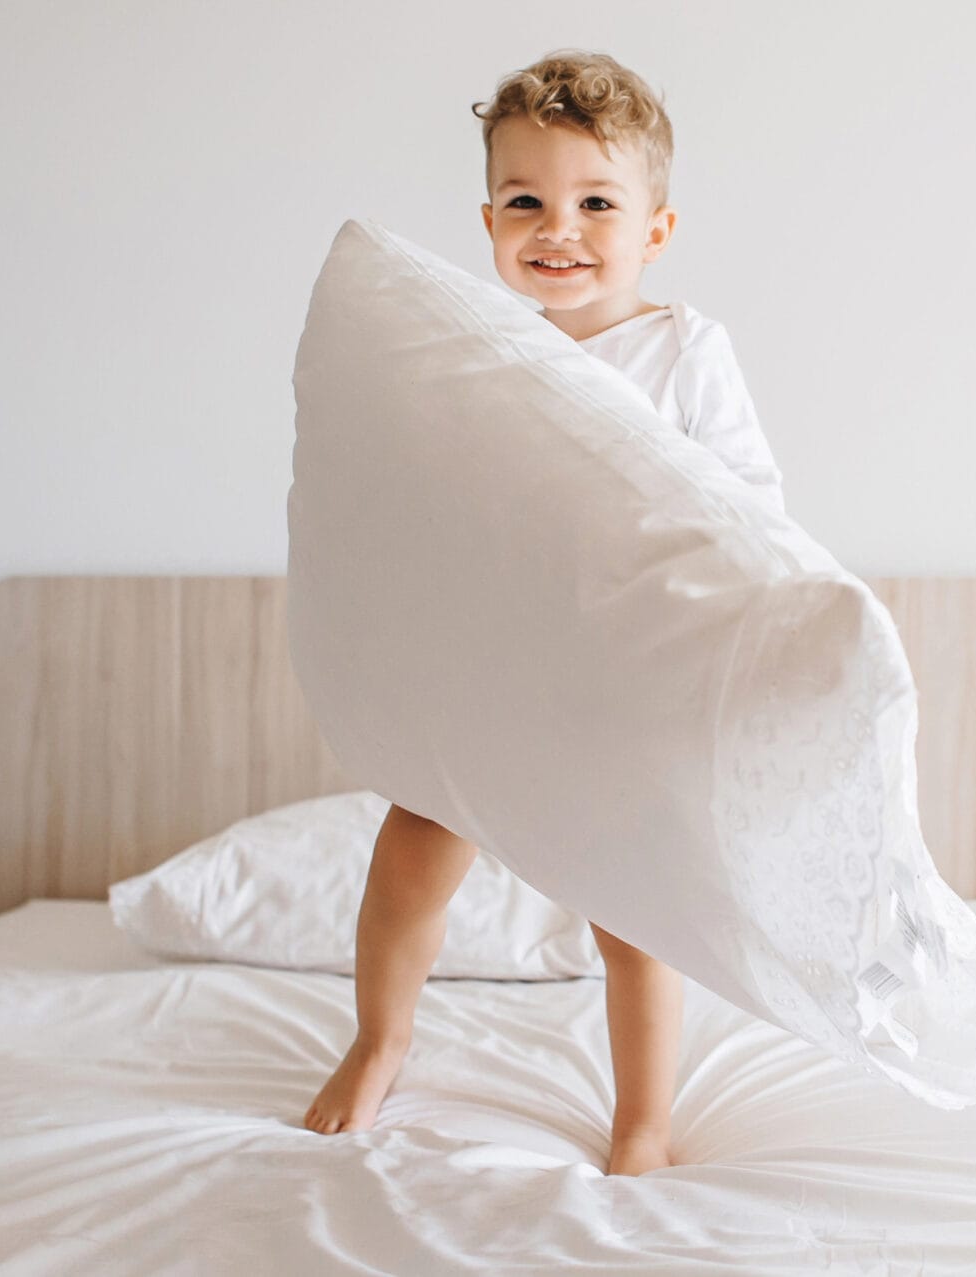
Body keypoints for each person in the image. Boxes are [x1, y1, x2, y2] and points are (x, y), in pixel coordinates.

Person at [301, 49, 788, 1177]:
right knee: (411, 855)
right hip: (490, 670)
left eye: (596, 203)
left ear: (655, 230)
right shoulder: (473, 348)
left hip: (619, 678)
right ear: (487, 218)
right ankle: (380, 1038)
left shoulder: (685, 353)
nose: (556, 227)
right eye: (525, 200)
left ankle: (642, 1119)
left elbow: (750, 506)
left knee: (633, 912)